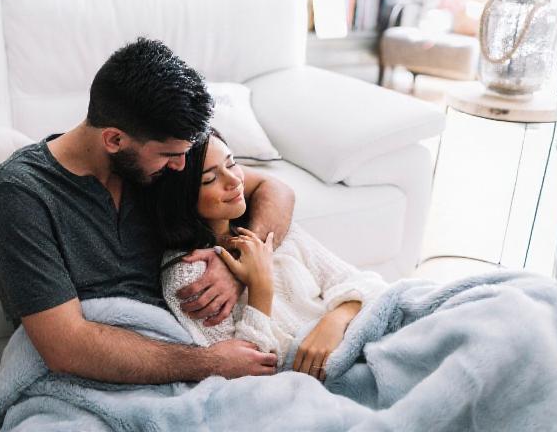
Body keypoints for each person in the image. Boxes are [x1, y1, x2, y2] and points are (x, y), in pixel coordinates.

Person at [0, 38, 297, 383]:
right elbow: (65, 347)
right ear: (114, 140)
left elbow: (275, 189)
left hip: (181, 339)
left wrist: (236, 263)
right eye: (169, 155)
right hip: (107, 367)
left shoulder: (163, 153)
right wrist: (212, 364)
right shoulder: (20, 194)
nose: (181, 166)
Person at [147, 133, 386, 381]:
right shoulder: (190, 273)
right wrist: (260, 288)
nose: (234, 181)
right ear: (181, 197)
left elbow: (368, 284)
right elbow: (244, 371)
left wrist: (336, 320)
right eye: (210, 179)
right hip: (322, 378)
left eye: (231, 164)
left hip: (358, 337)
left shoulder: (271, 229)